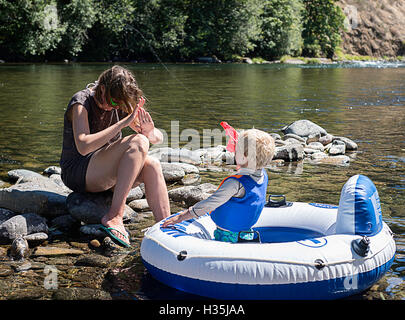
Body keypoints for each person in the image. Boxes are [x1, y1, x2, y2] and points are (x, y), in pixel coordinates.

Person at [60, 65, 170, 247]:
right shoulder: (81, 102)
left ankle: (166, 228)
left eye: (118, 104)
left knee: (152, 164)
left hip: (105, 172)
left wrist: (150, 131)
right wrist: (122, 124)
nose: (113, 108)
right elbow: (83, 146)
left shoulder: (119, 101)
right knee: (138, 142)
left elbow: (157, 138)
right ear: (102, 88)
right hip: (79, 172)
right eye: (112, 102)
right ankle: (114, 215)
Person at [162, 129, 275, 243]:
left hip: (228, 236)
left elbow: (210, 203)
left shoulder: (235, 183)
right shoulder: (263, 176)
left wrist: (181, 217)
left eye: (236, 150)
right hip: (247, 234)